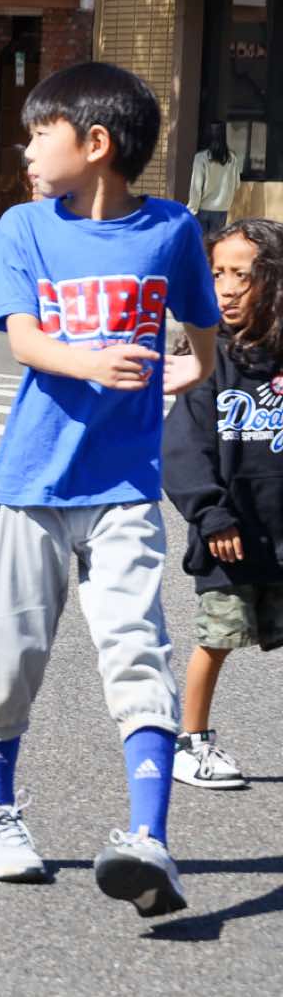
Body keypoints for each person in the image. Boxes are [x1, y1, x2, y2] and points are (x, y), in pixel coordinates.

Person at [0, 61, 219, 919]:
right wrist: (93, 362)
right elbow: (24, 341)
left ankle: (149, 838)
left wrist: (193, 368)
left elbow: (203, 328)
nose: (28, 150)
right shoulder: (24, 228)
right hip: (30, 481)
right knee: (6, 662)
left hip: (124, 488)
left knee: (138, 651)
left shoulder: (172, 230)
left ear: (96, 143)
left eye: (41, 134)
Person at [162, 219, 283, 791]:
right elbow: (183, 449)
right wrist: (211, 514)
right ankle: (191, 741)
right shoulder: (207, 361)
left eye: (243, 275)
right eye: (217, 274)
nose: (227, 288)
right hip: (230, 538)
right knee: (217, 640)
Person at [187, 122, 242, 239]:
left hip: (201, 209)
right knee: (215, 245)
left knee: (201, 245)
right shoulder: (232, 158)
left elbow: (196, 188)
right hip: (222, 209)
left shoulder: (201, 158)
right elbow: (237, 184)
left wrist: (192, 209)